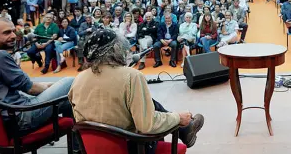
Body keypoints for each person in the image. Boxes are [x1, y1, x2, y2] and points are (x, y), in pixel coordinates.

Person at [68, 29, 204, 154]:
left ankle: (185, 130)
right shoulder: (132, 76)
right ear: (115, 49)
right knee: (151, 112)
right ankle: (184, 128)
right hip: (131, 148)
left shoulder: (78, 79)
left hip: (92, 149)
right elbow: (147, 125)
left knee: (148, 103)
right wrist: (178, 118)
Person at [0, 18, 74, 147]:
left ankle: (78, 147)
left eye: (13, 31)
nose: (13, 36)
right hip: (21, 117)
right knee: (71, 82)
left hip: (4, 120)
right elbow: (31, 89)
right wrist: (55, 87)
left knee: (68, 99)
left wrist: (53, 88)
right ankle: (82, 147)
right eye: (6, 33)